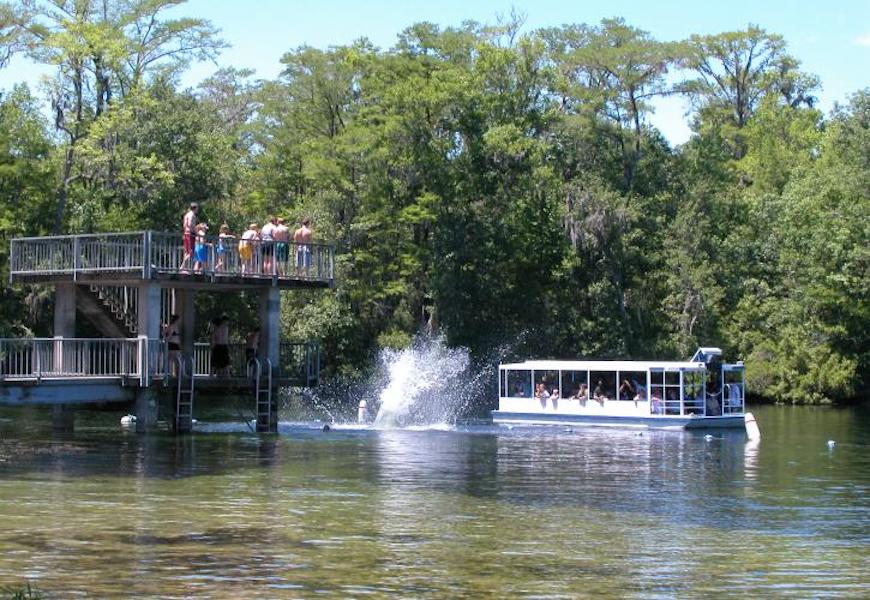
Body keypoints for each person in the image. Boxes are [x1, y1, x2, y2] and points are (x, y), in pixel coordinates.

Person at [180, 202, 198, 271]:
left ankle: (185, 268)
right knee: (191, 252)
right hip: (191, 234)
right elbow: (190, 224)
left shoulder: (186, 215)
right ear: (195, 208)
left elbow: (184, 225)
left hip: (186, 233)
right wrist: (195, 231)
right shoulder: (192, 215)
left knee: (186, 251)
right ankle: (182, 266)